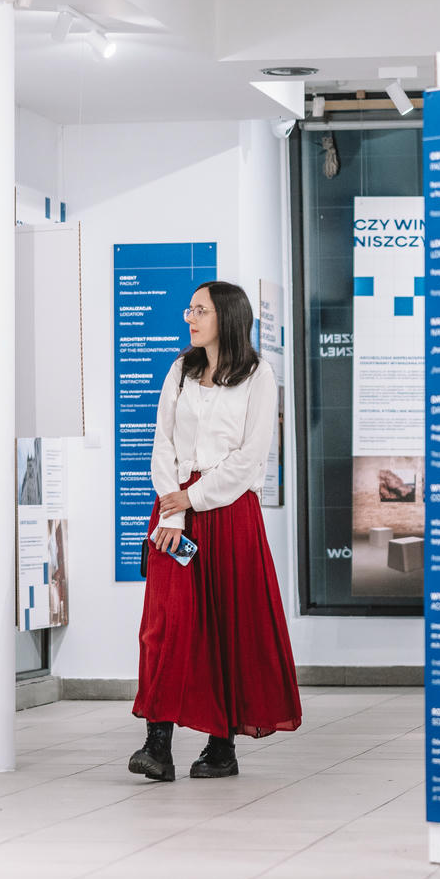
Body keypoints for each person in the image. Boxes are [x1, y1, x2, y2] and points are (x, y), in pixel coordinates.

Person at [129, 280, 302, 782]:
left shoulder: (259, 375)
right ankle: (157, 744)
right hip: (173, 511)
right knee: (164, 626)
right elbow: (162, 443)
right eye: (190, 309)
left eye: (200, 310)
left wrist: (196, 497)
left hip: (228, 512)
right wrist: (174, 508)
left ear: (227, 316)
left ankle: (221, 746)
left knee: (226, 624)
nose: (190, 318)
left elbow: (251, 458)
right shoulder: (180, 371)